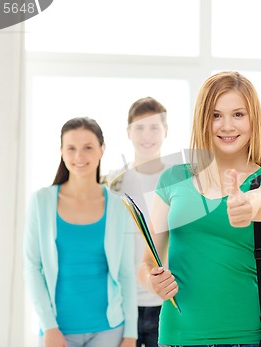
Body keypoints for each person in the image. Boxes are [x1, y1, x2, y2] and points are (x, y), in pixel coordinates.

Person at [137, 71, 261, 346]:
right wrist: (152, 282)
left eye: (238, 114)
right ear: (203, 119)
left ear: (253, 119)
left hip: (245, 337)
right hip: (177, 336)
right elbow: (147, 262)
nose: (227, 126)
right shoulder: (173, 179)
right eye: (216, 115)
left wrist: (249, 203)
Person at [24, 117, 137, 347]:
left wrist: (131, 334)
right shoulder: (41, 201)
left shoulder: (118, 206)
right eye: (71, 148)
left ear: (101, 150)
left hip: (109, 330)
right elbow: (32, 267)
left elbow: (126, 272)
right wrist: (49, 326)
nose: (79, 157)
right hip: (57, 331)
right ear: (61, 152)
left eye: (88, 148)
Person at [106, 97, 169, 347]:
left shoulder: (176, 179)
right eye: (139, 127)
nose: (147, 135)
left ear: (166, 131)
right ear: (128, 132)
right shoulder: (114, 182)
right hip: (123, 301)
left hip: (165, 299)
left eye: (154, 127)